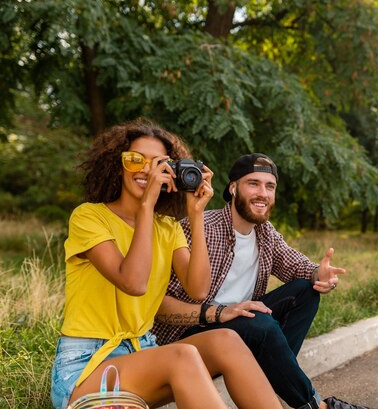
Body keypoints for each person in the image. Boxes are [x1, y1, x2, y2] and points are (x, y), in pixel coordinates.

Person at [50, 119, 282, 409]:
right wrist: (146, 205)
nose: (146, 169)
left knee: (227, 340)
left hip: (142, 355)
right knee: (181, 356)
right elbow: (133, 282)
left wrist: (196, 214)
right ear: (117, 165)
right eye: (135, 160)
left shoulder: (167, 228)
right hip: (86, 368)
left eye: (158, 162)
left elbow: (198, 290)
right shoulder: (89, 217)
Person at [152, 153, 370, 409]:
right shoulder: (198, 226)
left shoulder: (265, 234)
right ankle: (317, 406)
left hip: (242, 326)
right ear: (233, 188)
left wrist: (319, 275)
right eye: (253, 183)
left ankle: (269, 378)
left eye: (270, 186)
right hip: (191, 333)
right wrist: (219, 313)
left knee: (305, 291)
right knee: (261, 323)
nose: (263, 193)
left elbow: (298, 267)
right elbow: (158, 307)